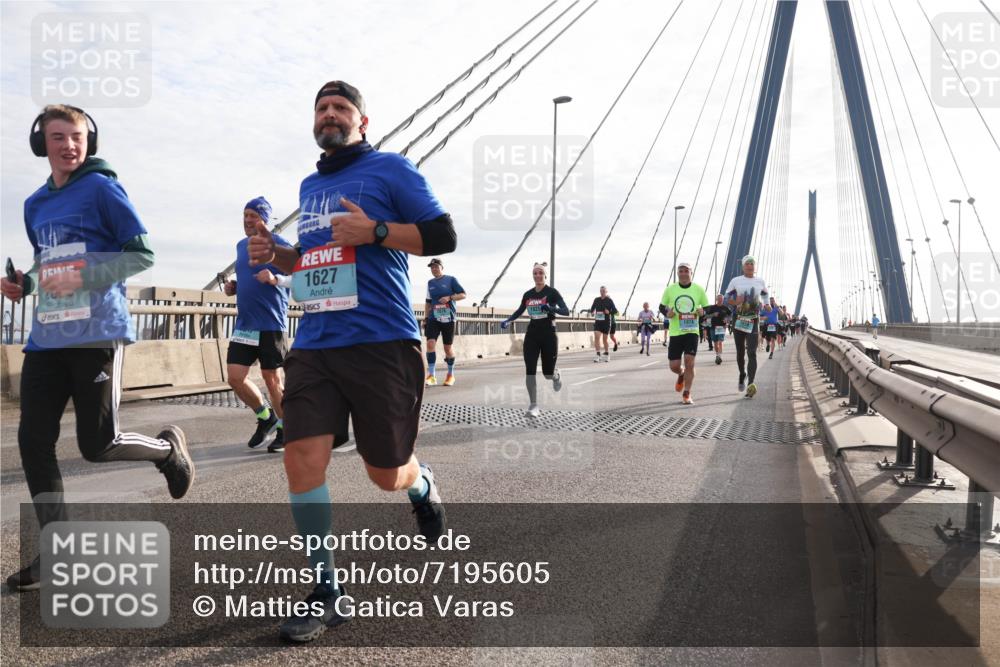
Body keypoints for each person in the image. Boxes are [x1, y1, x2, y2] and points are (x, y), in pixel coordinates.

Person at [246, 80, 456, 642]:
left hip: (381, 340)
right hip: (315, 342)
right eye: (321, 108)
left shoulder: (393, 170)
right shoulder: (310, 184)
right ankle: (326, 590)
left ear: (363, 122)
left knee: (385, 474)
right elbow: (311, 259)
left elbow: (443, 234)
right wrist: (279, 254)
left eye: (341, 107)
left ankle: (421, 483)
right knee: (301, 460)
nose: (330, 114)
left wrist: (377, 230)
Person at [1, 104, 194, 591]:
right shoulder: (33, 204)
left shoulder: (104, 188)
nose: (69, 144)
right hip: (46, 337)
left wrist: (86, 276)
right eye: (59, 136)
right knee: (32, 441)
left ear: (90, 141)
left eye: (78, 136)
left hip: (97, 333)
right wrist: (24, 284)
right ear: (40, 143)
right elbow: (50, 263)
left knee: (97, 445)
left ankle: (167, 451)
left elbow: (141, 253)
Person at [223, 197, 293, 452]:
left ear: (265, 219)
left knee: (271, 378)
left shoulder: (280, 244)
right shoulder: (241, 246)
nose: (248, 220)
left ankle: (287, 428)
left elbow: (298, 274)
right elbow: (248, 279)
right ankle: (266, 417)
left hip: (271, 322)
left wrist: (276, 278)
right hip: (245, 324)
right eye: (245, 215)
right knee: (235, 377)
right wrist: (235, 288)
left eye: (253, 215)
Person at [500, 262, 568, 416]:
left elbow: (566, 311)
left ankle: (555, 376)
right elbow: (520, 310)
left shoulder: (552, 292)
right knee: (530, 370)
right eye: (535, 273)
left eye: (540, 273)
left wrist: (551, 308)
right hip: (532, 334)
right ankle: (533, 406)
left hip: (549, 335)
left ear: (545, 275)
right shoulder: (528, 294)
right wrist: (508, 320)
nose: (537, 275)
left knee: (547, 373)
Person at [659, 262, 709, 405]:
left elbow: (707, 308)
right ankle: (681, 373)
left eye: (686, 270)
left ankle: (687, 393)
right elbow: (662, 306)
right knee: (674, 366)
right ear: (678, 273)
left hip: (692, 331)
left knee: (689, 362)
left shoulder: (698, 289)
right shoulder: (670, 289)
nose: (683, 273)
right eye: (680, 271)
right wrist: (667, 313)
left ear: (691, 273)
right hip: (675, 332)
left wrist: (703, 312)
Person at [723, 255, 771, 398]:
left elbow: (765, 295)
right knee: (740, 353)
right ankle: (742, 373)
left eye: (752, 264)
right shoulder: (735, 281)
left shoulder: (760, 281)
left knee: (752, 352)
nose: (750, 266)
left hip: (753, 320)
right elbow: (726, 299)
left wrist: (767, 304)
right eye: (747, 264)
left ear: (755, 267)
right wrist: (735, 301)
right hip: (739, 320)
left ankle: (751, 383)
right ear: (743, 267)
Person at [423, 258, 465, 386]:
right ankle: (431, 376)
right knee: (430, 344)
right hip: (433, 318)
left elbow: (463, 294)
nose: (434, 269)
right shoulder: (430, 283)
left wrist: (450, 297)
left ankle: (450, 375)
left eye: (436, 266)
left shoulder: (451, 280)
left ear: (442, 267)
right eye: (432, 267)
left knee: (448, 348)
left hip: (448, 318)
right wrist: (425, 318)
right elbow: (428, 302)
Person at [589, 286, 617, 362]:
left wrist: (609, 312)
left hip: (606, 322)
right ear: (600, 291)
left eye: (604, 291)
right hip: (598, 321)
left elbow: (615, 311)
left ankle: (607, 353)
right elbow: (592, 308)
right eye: (601, 291)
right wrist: (592, 312)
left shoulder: (609, 300)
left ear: (606, 292)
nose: (602, 292)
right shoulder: (596, 299)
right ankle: (598, 354)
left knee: (605, 339)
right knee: (596, 337)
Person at [701, 294, 730, 365]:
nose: (720, 300)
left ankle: (719, 356)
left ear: (723, 300)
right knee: (715, 343)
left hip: (721, 327)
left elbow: (730, 315)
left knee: (720, 342)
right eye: (719, 299)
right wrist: (713, 315)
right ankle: (717, 354)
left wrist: (727, 320)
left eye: (721, 299)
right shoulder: (712, 307)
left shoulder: (725, 308)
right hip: (713, 327)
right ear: (716, 299)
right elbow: (705, 316)